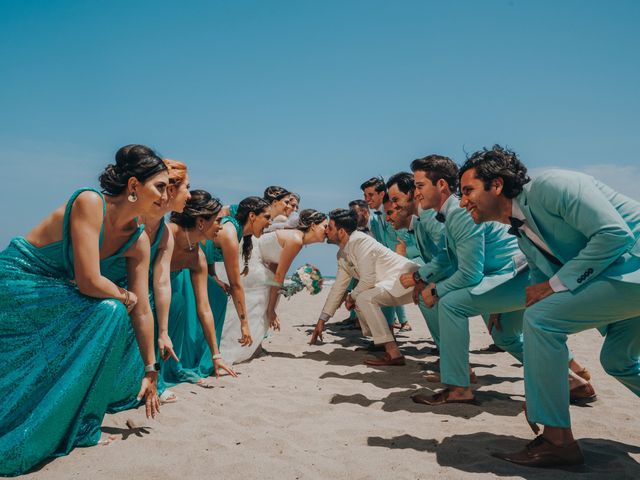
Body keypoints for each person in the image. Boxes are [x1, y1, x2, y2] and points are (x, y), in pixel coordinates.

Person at [458, 145, 640, 467]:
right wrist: (538, 387)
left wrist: (552, 286)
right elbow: (541, 292)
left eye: (468, 190)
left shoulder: (553, 185)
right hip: (624, 279)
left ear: (497, 185)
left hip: (632, 266)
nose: (462, 201)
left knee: (542, 321)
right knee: (617, 360)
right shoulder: (522, 234)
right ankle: (554, 427)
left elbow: (614, 235)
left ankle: (558, 442)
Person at [0, 144, 165, 475]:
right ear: (134, 186)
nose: (166, 194)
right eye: (160, 186)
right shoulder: (91, 202)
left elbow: (144, 309)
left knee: (113, 313)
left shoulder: (140, 241)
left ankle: (78, 426)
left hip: (61, 291)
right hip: (20, 282)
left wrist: (150, 368)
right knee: (111, 311)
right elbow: (89, 281)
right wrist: (127, 297)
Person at [105, 158, 189, 410]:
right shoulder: (134, 220)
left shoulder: (163, 233)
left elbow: (162, 282)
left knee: (149, 302)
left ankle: (146, 379)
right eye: (187, 187)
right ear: (170, 191)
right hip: (106, 287)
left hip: (138, 293)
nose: (190, 194)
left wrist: (164, 332)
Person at [309, 209, 418, 366]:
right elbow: (338, 288)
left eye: (330, 227)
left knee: (363, 298)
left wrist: (351, 297)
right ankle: (386, 347)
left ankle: (393, 354)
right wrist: (322, 320)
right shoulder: (342, 255)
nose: (326, 230)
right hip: (391, 285)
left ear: (341, 232)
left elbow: (367, 279)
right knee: (363, 298)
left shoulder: (360, 241)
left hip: (408, 279)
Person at [162, 190, 237, 386]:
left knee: (177, 303)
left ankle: (171, 368)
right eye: (218, 220)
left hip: (169, 300)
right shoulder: (166, 234)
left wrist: (216, 354)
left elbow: (204, 308)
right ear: (201, 222)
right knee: (176, 302)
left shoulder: (198, 257)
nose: (221, 227)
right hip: (141, 294)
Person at [203, 196, 272, 364]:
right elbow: (236, 285)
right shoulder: (230, 231)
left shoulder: (238, 231)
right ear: (252, 216)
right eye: (267, 217)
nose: (270, 223)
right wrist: (244, 325)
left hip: (204, 269)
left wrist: (213, 275)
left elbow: (209, 246)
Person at [261, 209, 328, 332]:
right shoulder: (296, 240)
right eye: (325, 226)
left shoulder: (298, 238)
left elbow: (274, 267)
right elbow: (279, 275)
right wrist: (271, 310)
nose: (327, 231)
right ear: (313, 226)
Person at [360, 177, 409, 329]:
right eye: (365, 195)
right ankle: (387, 336)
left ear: (382, 194)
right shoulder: (376, 220)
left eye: (370, 195)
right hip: (392, 262)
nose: (367, 199)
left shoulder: (395, 210)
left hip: (407, 259)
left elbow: (404, 238)